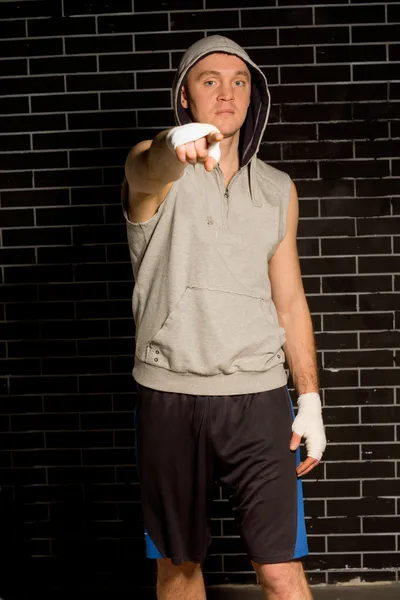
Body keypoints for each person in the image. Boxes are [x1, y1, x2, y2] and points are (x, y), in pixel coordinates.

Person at [121, 35, 326, 600]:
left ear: (253, 95)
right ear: (185, 97)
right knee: (178, 568)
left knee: (282, 570)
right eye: (209, 80)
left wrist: (307, 398)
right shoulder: (156, 172)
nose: (226, 92)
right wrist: (173, 144)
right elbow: (148, 165)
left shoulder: (279, 189)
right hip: (169, 392)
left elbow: (290, 300)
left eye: (239, 81)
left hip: (259, 398)